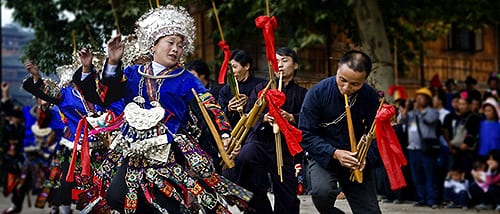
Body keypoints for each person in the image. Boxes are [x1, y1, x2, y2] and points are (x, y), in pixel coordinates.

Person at [99, 5, 252, 213]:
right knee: (115, 195)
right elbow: (109, 90)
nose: (175, 49)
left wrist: (224, 133)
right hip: (135, 147)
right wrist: (113, 62)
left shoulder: (186, 78)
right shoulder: (133, 73)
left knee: (167, 205)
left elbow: (209, 106)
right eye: (170, 43)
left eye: (180, 45)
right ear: (154, 45)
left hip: (170, 149)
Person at [22, 52, 124, 214]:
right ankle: (64, 210)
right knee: (66, 183)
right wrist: (36, 77)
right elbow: (49, 92)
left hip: (101, 145)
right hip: (74, 145)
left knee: (103, 183)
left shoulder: (102, 92)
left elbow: (116, 110)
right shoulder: (66, 93)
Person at [225, 47, 307, 213]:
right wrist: (263, 117)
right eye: (276, 62)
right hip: (260, 141)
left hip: (284, 149)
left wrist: (290, 117)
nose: (280, 65)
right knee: (243, 157)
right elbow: (249, 113)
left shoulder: (302, 93)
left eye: (285, 61)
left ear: (295, 65)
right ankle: (237, 195)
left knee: (287, 197)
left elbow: (307, 119)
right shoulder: (263, 89)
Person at [299, 50, 381, 213]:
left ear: (365, 80)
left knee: (370, 211)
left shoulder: (370, 97)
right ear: (337, 69)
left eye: (354, 84)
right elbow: (305, 135)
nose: (346, 88)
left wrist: (366, 157)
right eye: (342, 80)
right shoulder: (317, 93)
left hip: (356, 158)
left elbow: (377, 135)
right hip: (325, 155)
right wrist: (334, 153)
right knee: (321, 194)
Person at [399, 87, 441, 208]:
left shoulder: (432, 112)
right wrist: (407, 108)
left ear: (427, 100)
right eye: (417, 97)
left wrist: (420, 111)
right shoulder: (413, 113)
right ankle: (421, 198)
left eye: (422, 97)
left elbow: (429, 120)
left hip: (426, 148)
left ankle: (432, 200)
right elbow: (403, 121)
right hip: (413, 148)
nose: (418, 99)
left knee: (430, 174)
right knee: (417, 175)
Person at [218, 49, 266, 126]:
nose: (231, 71)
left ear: (246, 66)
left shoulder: (261, 85)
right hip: (233, 132)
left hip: (254, 132)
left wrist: (249, 101)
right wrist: (229, 109)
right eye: (229, 68)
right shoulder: (225, 90)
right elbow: (219, 116)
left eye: (234, 67)